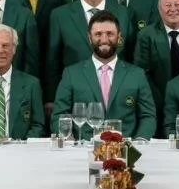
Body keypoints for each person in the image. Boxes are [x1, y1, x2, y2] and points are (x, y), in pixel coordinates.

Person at [45, 0, 136, 114]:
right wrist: (51, 98)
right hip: (75, 97)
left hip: (117, 97)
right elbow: (52, 62)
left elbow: (130, 56)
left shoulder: (123, 13)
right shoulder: (60, 15)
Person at [52, 10, 155, 141]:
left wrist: (140, 141)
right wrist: (68, 139)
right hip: (83, 148)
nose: (104, 39)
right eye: (98, 34)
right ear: (89, 38)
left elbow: (148, 116)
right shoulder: (71, 74)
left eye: (110, 34)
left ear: (119, 37)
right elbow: (60, 115)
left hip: (125, 149)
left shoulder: (137, 74)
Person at [133, 0, 179, 138]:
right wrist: (166, 101)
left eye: (177, 4)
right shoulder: (146, 35)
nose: (173, 9)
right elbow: (142, 75)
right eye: (167, 5)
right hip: (158, 109)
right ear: (159, 9)